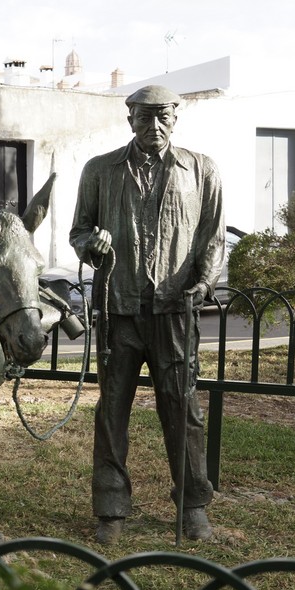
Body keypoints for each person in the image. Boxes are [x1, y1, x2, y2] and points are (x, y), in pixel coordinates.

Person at [69, 85, 225, 545]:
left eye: (162, 117)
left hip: (175, 310)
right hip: (118, 309)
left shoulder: (201, 170)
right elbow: (79, 231)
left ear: (175, 119)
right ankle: (111, 508)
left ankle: (193, 504)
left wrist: (204, 281)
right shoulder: (99, 170)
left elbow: (212, 237)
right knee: (112, 410)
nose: (153, 127)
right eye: (144, 118)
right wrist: (90, 245)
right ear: (130, 119)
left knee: (182, 409)